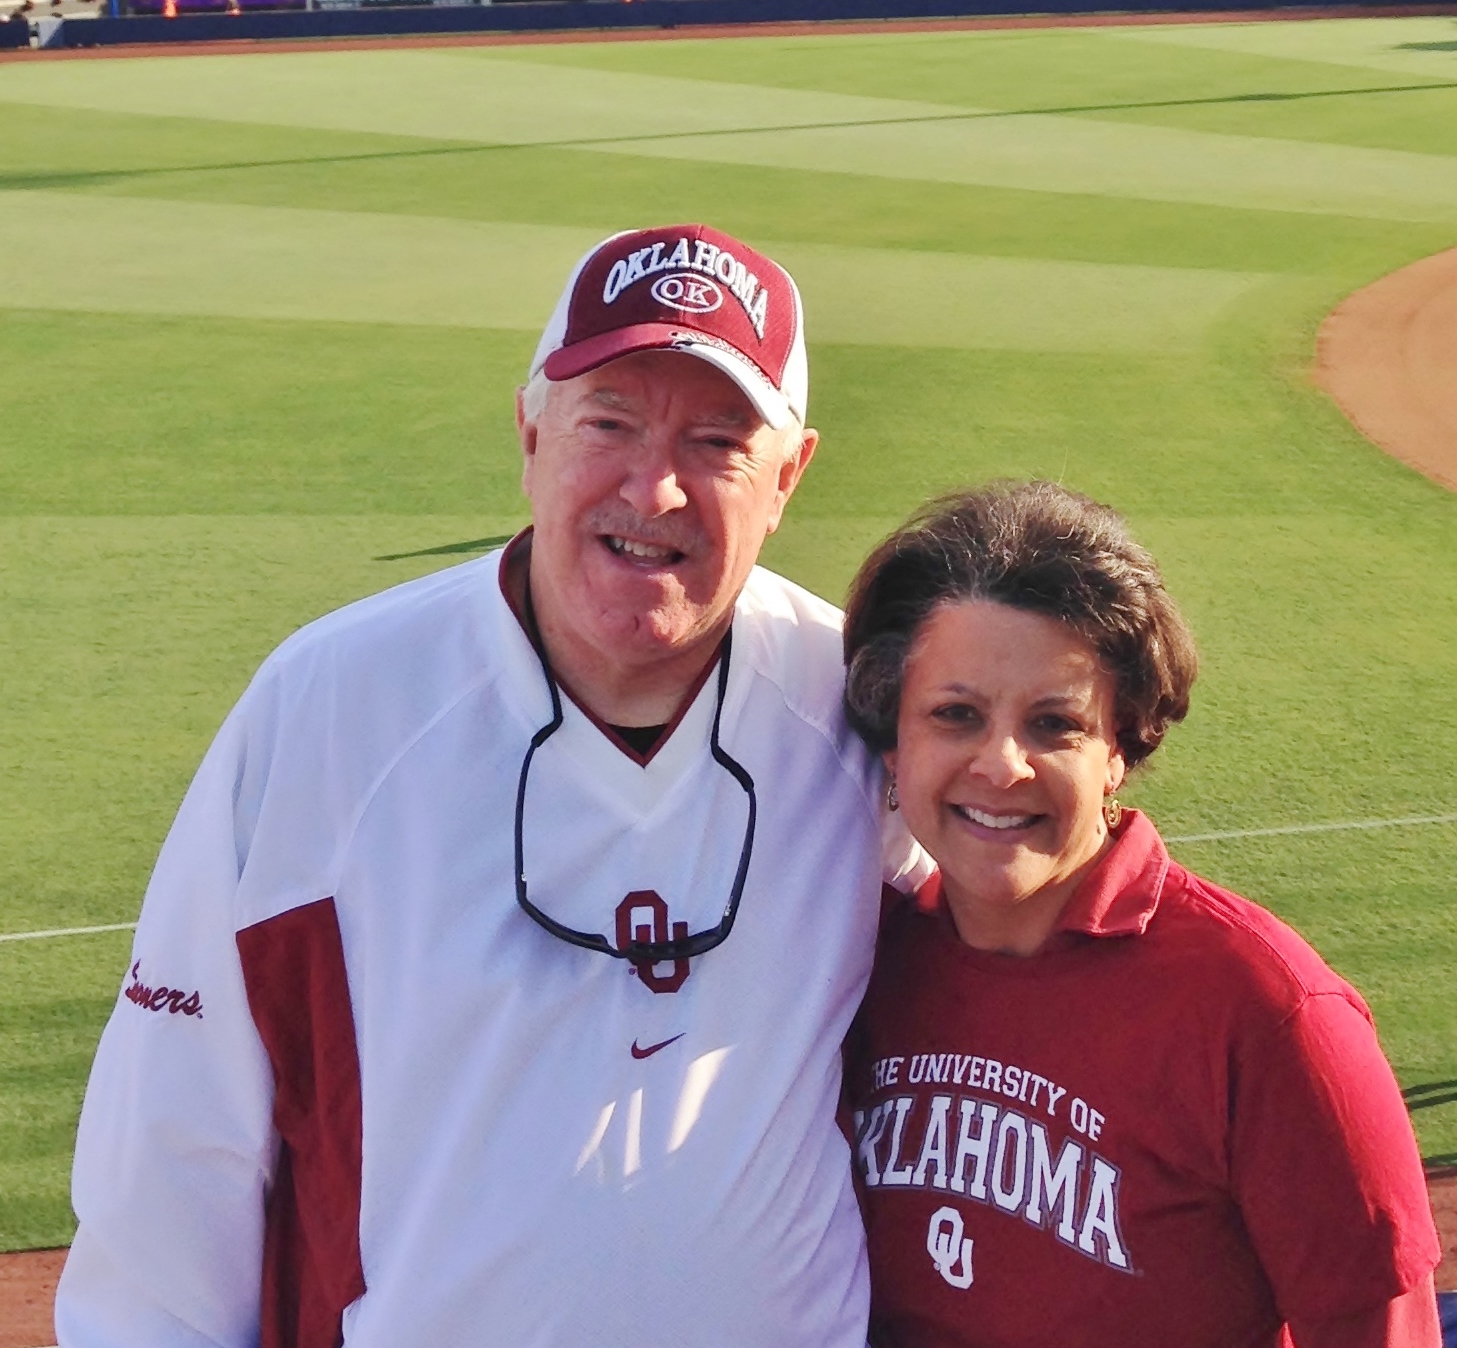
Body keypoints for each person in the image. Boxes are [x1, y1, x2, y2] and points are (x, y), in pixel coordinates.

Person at [56, 224, 929, 1348]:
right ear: (530, 434)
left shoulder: (864, 713)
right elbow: (171, 1152)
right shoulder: (330, 706)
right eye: (607, 422)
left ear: (789, 477)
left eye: (717, 442)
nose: (651, 488)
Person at [841, 482, 1441, 1348]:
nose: (1001, 765)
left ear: (1120, 747)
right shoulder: (855, 955)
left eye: (1054, 725)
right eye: (955, 715)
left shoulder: (1265, 1012)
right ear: (892, 735)